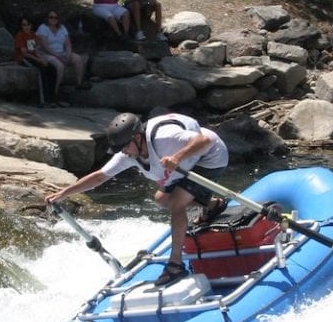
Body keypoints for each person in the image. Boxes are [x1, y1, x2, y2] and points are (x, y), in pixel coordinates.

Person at [46, 111, 229, 286]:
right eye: (121, 149)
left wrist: (177, 156)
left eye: (125, 147)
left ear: (139, 138)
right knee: (161, 200)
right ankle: (213, 206)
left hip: (209, 157)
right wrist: (64, 193)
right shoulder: (129, 154)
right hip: (185, 165)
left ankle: (175, 265)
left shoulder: (165, 137)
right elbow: (100, 176)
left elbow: (204, 141)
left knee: (176, 203)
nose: (124, 152)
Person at [34, 11, 88, 102]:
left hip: (61, 52)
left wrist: (68, 54)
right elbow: (45, 46)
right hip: (46, 54)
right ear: (47, 18)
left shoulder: (62, 28)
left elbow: (68, 44)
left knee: (78, 59)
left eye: (55, 17)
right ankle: (55, 92)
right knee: (59, 66)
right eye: (51, 17)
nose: (53, 19)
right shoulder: (43, 28)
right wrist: (58, 56)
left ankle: (79, 83)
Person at [14, 15, 59, 107]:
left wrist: (41, 58)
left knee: (52, 68)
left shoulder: (33, 35)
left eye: (28, 24)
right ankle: (43, 100)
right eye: (24, 25)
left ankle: (52, 98)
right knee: (41, 70)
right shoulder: (20, 35)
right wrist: (38, 60)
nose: (26, 27)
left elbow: (35, 50)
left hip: (34, 56)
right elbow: (25, 53)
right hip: (24, 58)